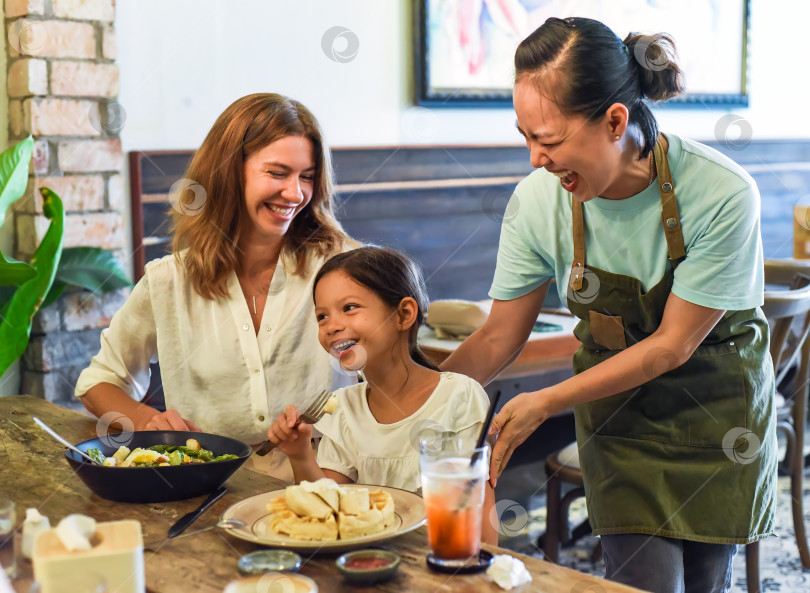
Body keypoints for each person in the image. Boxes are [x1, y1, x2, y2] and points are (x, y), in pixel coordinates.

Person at [441, 17, 776, 593]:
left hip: (717, 418)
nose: (534, 159)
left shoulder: (722, 193)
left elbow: (669, 346)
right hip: (618, 420)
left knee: (702, 583)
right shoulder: (537, 202)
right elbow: (498, 337)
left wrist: (544, 401)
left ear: (615, 121)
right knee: (644, 582)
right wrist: (408, 399)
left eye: (547, 140)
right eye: (525, 136)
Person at [75, 93, 352, 454]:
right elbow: (99, 381)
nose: (295, 193)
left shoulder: (344, 266)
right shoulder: (168, 281)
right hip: (209, 482)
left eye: (308, 177)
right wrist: (145, 420)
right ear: (228, 173)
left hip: (327, 480)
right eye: (277, 173)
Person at [266, 246, 497, 543]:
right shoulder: (344, 408)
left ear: (403, 315)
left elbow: (484, 531)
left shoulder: (459, 397)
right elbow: (326, 513)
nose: (332, 326)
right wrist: (299, 454)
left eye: (349, 308)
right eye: (322, 316)